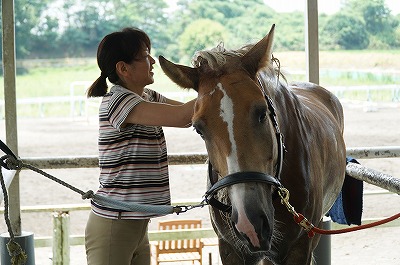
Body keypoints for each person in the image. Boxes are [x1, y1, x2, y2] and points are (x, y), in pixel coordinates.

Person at [85, 27, 196, 265]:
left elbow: (190, 116)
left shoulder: (148, 96)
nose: (152, 61)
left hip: (136, 224)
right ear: (123, 69)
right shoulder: (118, 100)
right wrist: (221, 84)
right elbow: (181, 116)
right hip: (114, 224)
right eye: (145, 55)